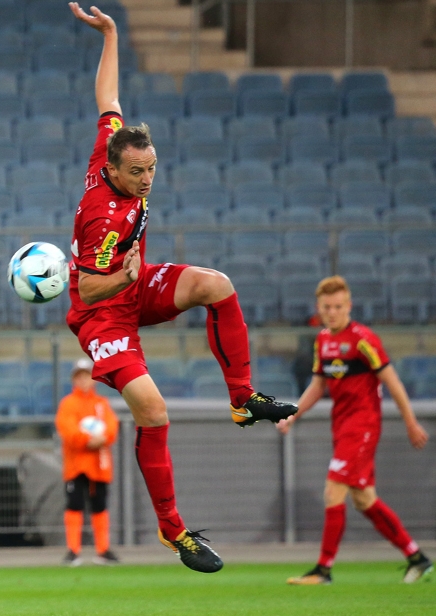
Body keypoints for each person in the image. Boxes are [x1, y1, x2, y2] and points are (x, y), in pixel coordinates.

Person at [65, 3, 297, 573]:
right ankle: (174, 531)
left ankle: (242, 399)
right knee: (151, 406)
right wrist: (123, 274)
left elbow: (108, 97)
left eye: (152, 169)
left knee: (216, 285)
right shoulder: (103, 218)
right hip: (101, 312)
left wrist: (112, 34)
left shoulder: (110, 147)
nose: (148, 180)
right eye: (139, 174)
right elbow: (91, 291)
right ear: (116, 174)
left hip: (134, 283)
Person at [278, 276, 432, 585]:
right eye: (326, 307)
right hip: (342, 426)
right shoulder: (322, 340)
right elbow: (318, 385)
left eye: (338, 306)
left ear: (349, 306)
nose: (332, 312)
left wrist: (410, 422)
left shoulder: (363, 340)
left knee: (333, 489)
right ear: (319, 308)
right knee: (364, 499)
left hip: (362, 427)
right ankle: (417, 557)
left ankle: (323, 569)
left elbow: (392, 381)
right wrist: (293, 414)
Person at [56, 358, 120, 566]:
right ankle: (73, 550)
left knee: (99, 505)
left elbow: (111, 426)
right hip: (76, 464)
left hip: (99, 464)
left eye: (87, 376)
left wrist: (103, 437)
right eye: (79, 376)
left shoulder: (101, 404)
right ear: (74, 379)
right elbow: (68, 430)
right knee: (74, 504)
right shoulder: (68, 403)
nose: (84, 380)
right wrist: (88, 440)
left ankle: (103, 549)